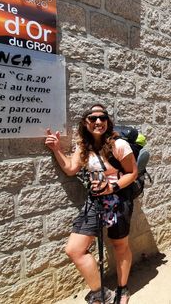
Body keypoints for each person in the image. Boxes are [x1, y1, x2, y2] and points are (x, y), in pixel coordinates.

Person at [45, 104, 136, 304]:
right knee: (75, 249)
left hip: (118, 201)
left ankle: (122, 289)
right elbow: (70, 168)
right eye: (92, 118)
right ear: (85, 123)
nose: (98, 122)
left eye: (102, 117)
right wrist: (56, 149)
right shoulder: (83, 146)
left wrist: (112, 188)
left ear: (107, 121)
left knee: (119, 245)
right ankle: (101, 293)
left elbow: (132, 173)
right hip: (94, 202)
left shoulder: (119, 145)